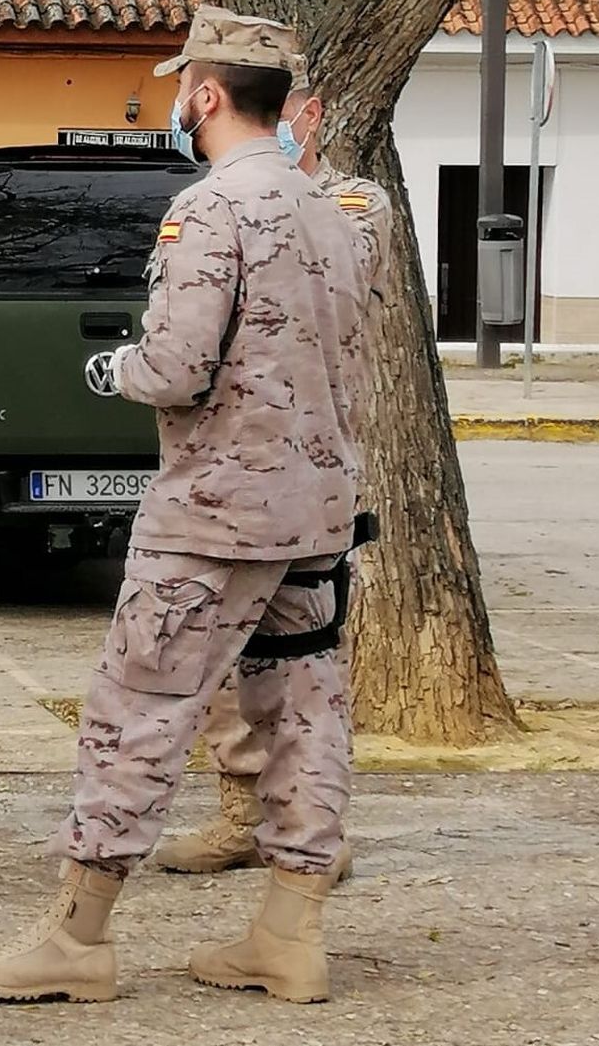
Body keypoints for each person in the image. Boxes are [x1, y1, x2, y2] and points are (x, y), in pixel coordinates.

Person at [0, 6, 373, 1005]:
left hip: (215, 515)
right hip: (314, 513)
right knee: (304, 707)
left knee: (138, 709)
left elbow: (177, 366)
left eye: (183, 86)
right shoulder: (336, 212)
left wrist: (114, 369)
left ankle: (76, 937)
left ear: (207, 95)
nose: (178, 101)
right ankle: (289, 935)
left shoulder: (211, 210)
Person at [153, 59, 391, 880]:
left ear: (309, 116)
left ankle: (309, 829)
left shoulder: (351, 204)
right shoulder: (218, 203)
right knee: (226, 662)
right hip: (230, 473)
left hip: (309, 471)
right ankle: (240, 814)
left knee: (301, 663)